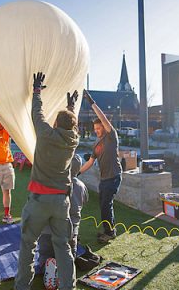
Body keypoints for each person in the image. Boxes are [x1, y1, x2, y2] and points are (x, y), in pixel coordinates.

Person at [14, 72, 79, 290]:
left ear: (55, 124)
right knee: (63, 247)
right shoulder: (73, 141)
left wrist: (37, 90)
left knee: (27, 245)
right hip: (61, 204)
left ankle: (22, 286)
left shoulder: (45, 134)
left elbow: (36, 113)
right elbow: (70, 125)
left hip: (40, 201)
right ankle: (68, 287)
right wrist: (71, 108)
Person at [79, 89, 122, 243]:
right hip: (104, 179)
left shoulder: (111, 137)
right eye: (95, 129)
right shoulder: (96, 143)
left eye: (99, 128)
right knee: (104, 205)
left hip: (114, 177)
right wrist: (77, 172)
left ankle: (109, 233)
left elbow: (102, 118)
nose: (97, 131)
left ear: (104, 127)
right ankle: (109, 230)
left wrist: (91, 103)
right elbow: (90, 162)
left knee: (105, 205)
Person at [36, 154, 89, 271]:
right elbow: (84, 201)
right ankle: (65, 266)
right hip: (69, 231)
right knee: (69, 255)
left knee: (45, 253)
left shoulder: (51, 183)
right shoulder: (81, 186)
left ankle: (46, 265)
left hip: (48, 231)